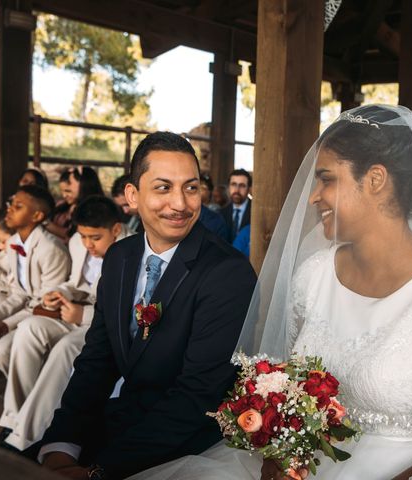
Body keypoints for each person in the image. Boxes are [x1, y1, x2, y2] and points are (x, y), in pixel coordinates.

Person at [134, 105, 412, 480]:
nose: (313, 196)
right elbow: (284, 393)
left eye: (326, 179)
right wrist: (277, 458)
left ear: (375, 180)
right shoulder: (312, 277)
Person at [39, 132, 256, 479]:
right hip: (124, 419)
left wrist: (99, 470)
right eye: (163, 188)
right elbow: (98, 359)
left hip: (189, 441)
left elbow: (197, 396)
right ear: (132, 195)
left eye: (190, 187)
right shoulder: (119, 257)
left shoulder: (228, 273)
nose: (180, 203)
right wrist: (62, 445)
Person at [0, 196, 133, 452]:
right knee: (29, 329)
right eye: (83, 236)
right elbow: (75, 281)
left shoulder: (131, 250)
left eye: (95, 237)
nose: (88, 244)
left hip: (100, 324)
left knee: (66, 347)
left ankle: (29, 434)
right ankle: (15, 417)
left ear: (115, 229)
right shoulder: (76, 243)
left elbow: (126, 311)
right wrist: (61, 292)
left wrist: (82, 315)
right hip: (74, 311)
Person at [0, 186, 71, 375]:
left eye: (18, 206)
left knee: (3, 347)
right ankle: (18, 393)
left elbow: (46, 304)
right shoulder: (12, 244)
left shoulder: (52, 249)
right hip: (28, 309)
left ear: (37, 216)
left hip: (49, 314)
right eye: (11, 204)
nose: (10, 209)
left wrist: (5, 325)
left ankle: (29, 398)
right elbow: (19, 293)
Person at [48, 167, 105, 241]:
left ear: (84, 187)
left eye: (68, 191)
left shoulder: (94, 211)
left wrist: (47, 224)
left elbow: (73, 236)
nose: (64, 195)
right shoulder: (61, 205)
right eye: (62, 191)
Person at [220, 169, 252, 242]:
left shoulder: (256, 213)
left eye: (242, 186)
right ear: (229, 187)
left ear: (249, 189)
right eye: (233, 184)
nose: (237, 190)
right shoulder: (221, 213)